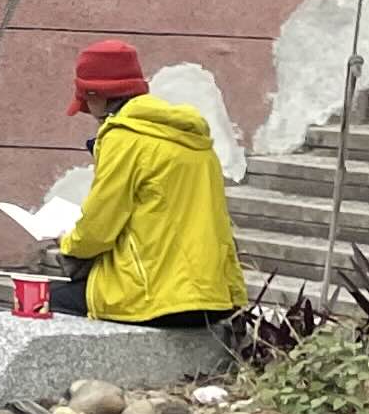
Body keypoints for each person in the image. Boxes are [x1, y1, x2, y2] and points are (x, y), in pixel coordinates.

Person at [49, 39, 243, 327]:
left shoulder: (123, 138)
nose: (89, 112)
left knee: (43, 300)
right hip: (215, 296)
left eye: (87, 103)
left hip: (157, 297)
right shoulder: (191, 136)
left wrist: (67, 242)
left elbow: (99, 227)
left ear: (96, 95)